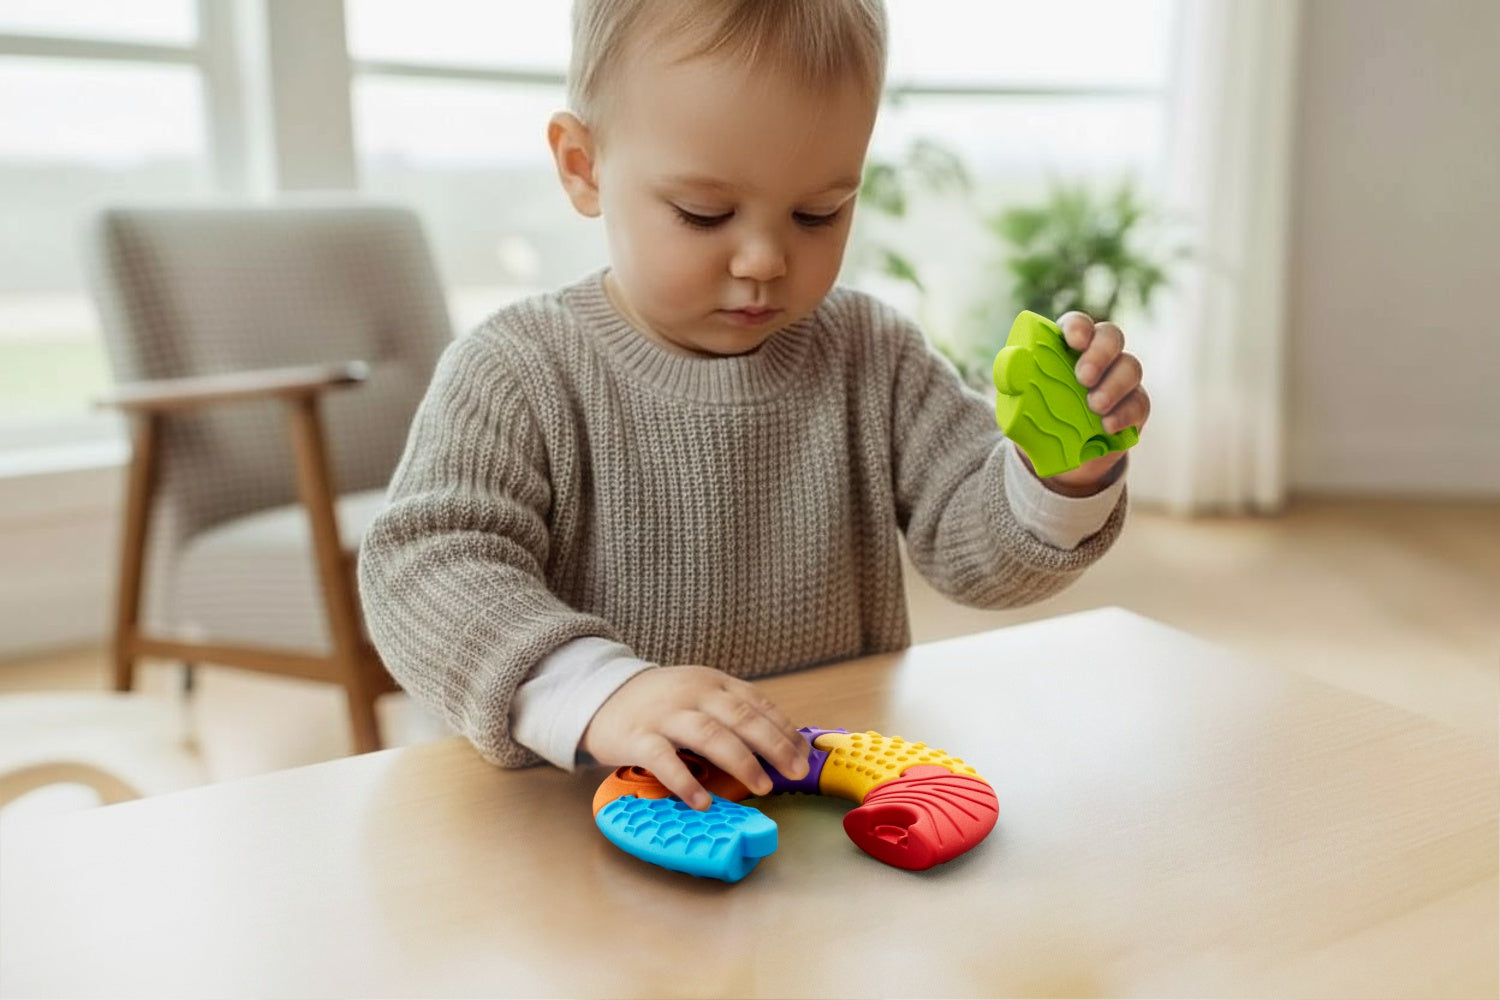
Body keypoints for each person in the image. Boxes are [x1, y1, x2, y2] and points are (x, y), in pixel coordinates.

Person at [358, 0, 1150, 811]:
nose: (766, 259)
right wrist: (600, 693)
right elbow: (422, 571)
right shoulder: (517, 370)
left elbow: (977, 556)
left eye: (818, 213)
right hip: (581, 815)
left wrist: (1060, 477)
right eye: (704, 214)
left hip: (823, 796)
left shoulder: (873, 353)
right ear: (583, 167)